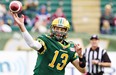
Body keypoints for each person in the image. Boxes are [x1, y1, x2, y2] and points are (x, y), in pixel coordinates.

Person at [11, 12, 86, 75]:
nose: (59, 31)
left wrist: (80, 56)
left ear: (66, 31)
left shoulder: (70, 47)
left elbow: (83, 70)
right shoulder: (46, 40)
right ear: (52, 28)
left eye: (62, 29)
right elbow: (32, 44)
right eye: (57, 28)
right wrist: (22, 26)